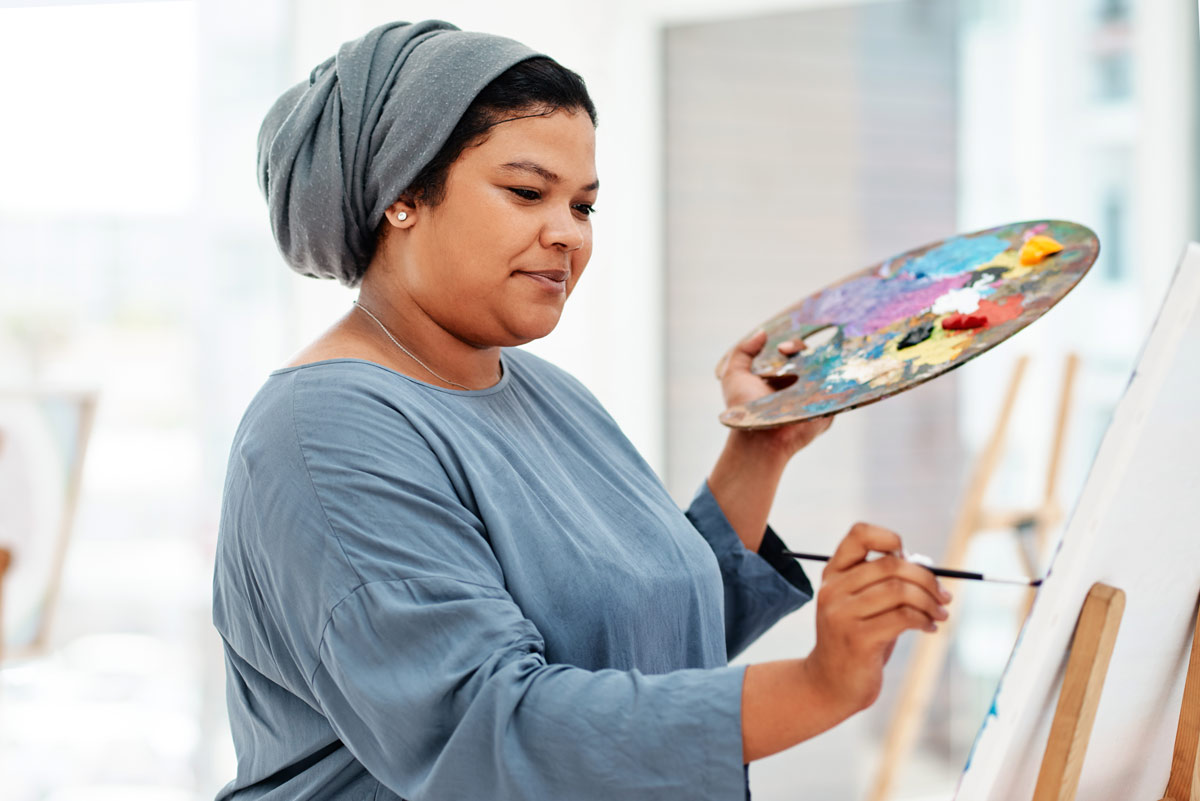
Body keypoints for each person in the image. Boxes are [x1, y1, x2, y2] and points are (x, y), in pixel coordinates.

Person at [212, 19, 951, 801]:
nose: (567, 234)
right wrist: (814, 686)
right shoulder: (325, 431)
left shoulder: (544, 392)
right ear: (402, 195)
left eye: (585, 205)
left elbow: (652, 640)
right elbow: (491, 735)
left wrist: (761, 447)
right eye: (527, 192)